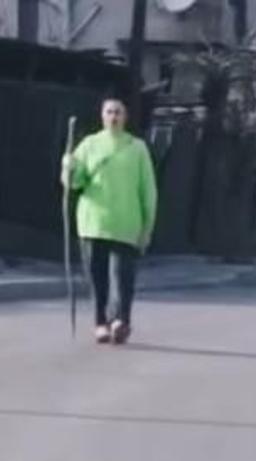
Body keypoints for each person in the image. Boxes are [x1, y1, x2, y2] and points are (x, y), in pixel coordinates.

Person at [61, 97, 158, 344]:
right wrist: (69, 167)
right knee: (97, 277)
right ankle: (100, 323)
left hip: (126, 224)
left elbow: (148, 191)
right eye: (109, 112)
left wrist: (147, 228)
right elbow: (75, 183)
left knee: (122, 277)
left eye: (118, 112)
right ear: (102, 116)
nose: (113, 117)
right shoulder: (89, 144)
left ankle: (121, 321)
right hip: (93, 223)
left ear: (125, 118)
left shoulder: (137, 148)